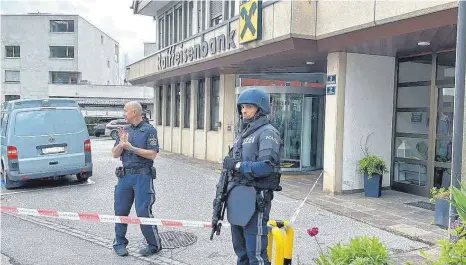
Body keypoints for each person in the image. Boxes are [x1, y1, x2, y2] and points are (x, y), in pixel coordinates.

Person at [222, 87, 282, 265]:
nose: (244, 110)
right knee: (241, 252)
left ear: (260, 108)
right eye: (242, 107)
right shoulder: (243, 134)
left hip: (256, 199)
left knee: (256, 254)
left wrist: (238, 165)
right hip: (238, 196)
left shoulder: (267, 132)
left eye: (249, 106)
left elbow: (266, 167)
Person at [111, 101, 163, 257]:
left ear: (134, 112)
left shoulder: (149, 130)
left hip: (142, 176)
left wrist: (131, 148)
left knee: (143, 211)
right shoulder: (124, 131)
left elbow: (152, 154)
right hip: (125, 176)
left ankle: (154, 245)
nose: (124, 113)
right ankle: (119, 243)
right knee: (120, 210)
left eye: (125, 111)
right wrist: (122, 144)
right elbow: (114, 154)